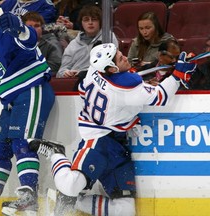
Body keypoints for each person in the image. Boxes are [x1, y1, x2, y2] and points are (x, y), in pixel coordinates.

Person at [28, 43, 197, 215]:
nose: (124, 56)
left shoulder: (94, 71)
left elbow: (83, 88)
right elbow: (161, 96)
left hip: (117, 144)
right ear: (113, 69)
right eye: (120, 58)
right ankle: (57, 153)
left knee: (125, 211)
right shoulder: (126, 90)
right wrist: (179, 74)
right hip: (97, 140)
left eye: (120, 53)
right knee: (71, 186)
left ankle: (75, 201)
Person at [0, 3, 55, 216]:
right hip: (12, 98)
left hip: (32, 89)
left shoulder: (5, 29)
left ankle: (29, 198)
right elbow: (11, 62)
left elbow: (29, 42)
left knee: (23, 143)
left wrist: (23, 29)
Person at [56, 4, 118, 78]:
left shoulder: (108, 38)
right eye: (86, 20)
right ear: (81, 23)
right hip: (74, 81)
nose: (90, 23)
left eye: (94, 19)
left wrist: (83, 73)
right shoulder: (73, 44)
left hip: (100, 81)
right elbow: (60, 72)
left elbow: (112, 68)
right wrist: (66, 73)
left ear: (100, 22)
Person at [22, 11, 63, 75]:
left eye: (37, 26)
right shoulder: (16, 46)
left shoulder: (51, 45)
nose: (33, 29)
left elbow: (55, 65)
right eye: (29, 26)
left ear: (42, 28)